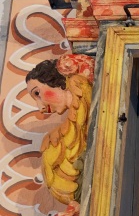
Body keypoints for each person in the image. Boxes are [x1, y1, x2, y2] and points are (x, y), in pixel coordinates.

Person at [25, 55, 94, 204]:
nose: (41, 108)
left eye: (38, 93)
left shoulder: (82, 86)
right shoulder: (58, 137)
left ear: (57, 81)